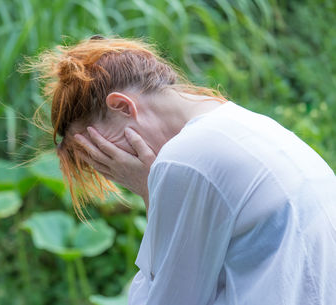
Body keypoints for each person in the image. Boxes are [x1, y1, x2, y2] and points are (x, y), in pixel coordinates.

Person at [26, 35, 336, 304]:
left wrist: (150, 191)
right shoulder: (247, 124)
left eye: (103, 150)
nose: (113, 167)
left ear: (122, 106)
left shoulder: (186, 159)